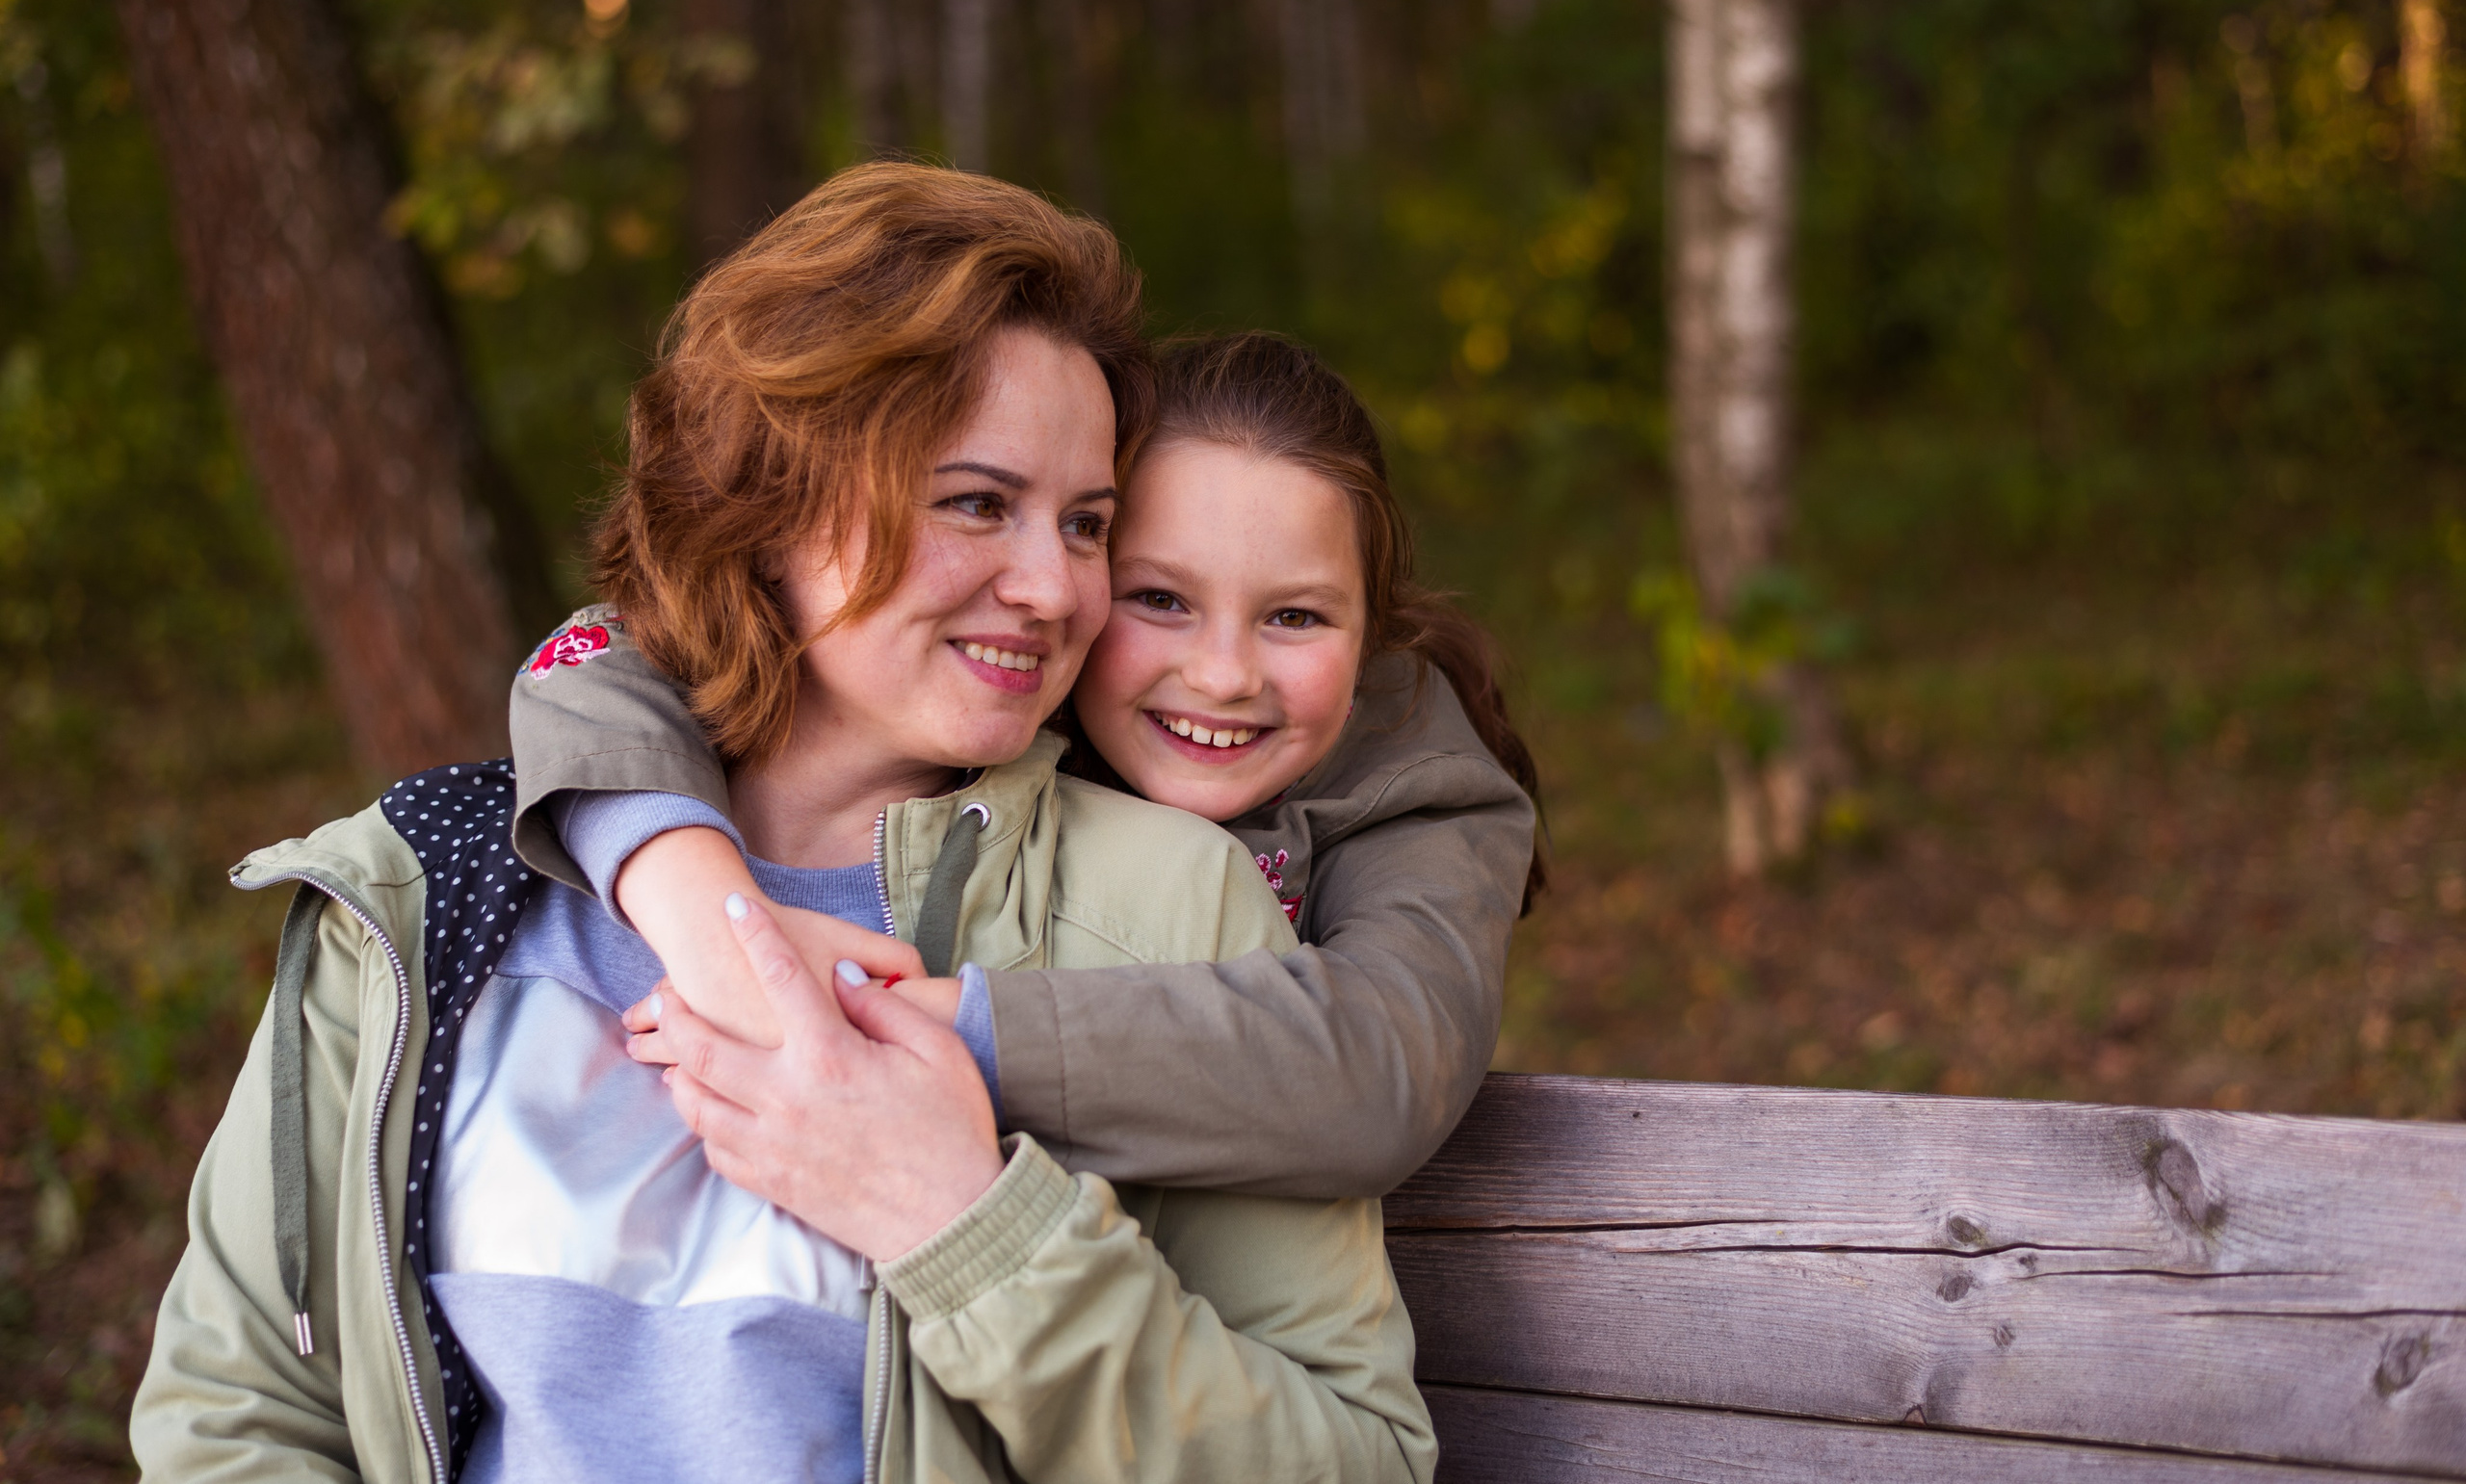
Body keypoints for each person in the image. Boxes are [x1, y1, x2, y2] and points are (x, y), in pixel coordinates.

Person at [130, 164, 1436, 1484]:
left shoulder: (1164, 903)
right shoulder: (428, 899)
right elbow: (235, 1412)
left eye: (1086, 523)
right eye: (977, 502)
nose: (1055, 588)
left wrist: (966, 1225)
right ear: (768, 504)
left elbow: (1358, 1462)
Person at [517, 335, 1545, 1209]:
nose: (1225, 675)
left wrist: (944, 1028)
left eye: (1294, 615)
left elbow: (1382, 1063)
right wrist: (708, 920)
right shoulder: (1019, 680)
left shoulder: (1415, 775)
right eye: (1159, 598)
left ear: (1373, 631)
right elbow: (608, 652)